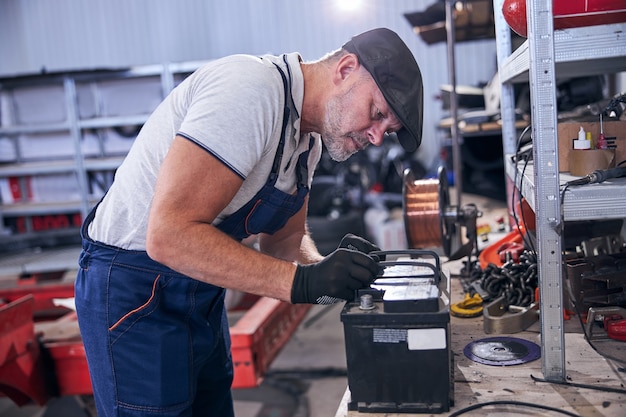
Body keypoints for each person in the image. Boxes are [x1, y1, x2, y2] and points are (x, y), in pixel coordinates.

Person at [74, 27, 423, 417]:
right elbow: (169, 235)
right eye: (377, 114)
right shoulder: (252, 92)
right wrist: (303, 283)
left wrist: (331, 272)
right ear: (345, 68)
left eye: (386, 131)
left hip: (200, 290)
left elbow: (284, 244)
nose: (376, 138)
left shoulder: (305, 144)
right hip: (134, 293)